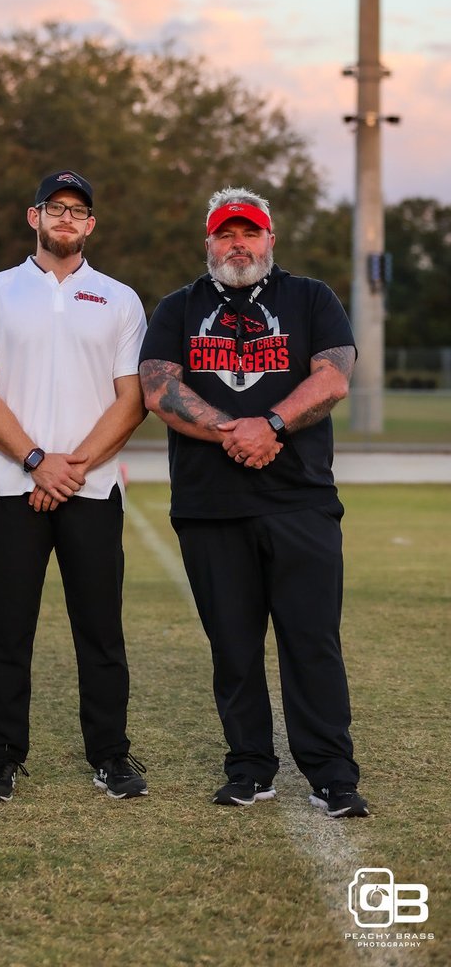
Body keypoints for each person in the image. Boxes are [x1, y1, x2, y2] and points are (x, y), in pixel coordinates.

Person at [139, 186, 369, 818]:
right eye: (224, 234)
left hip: (300, 501)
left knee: (311, 641)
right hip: (210, 506)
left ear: (271, 239)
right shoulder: (178, 307)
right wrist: (232, 432)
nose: (237, 244)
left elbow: (333, 375)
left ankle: (331, 774)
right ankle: (249, 767)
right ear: (208, 242)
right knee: (233, 646)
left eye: (249, 233)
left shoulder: (311, 297)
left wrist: (268, 424)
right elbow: (159, 389)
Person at [0, 170, 149, 802]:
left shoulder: (120, 299)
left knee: (100, 631)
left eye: (79, 211)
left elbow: (132, 399)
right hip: (13, 486)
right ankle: (2, 758)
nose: (67, 219)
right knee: (9, 630)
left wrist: (70, 468)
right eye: (55, 208)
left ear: (91, 225)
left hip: (90, 490)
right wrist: (37, 461)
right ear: (33, 216)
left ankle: (111, 756)